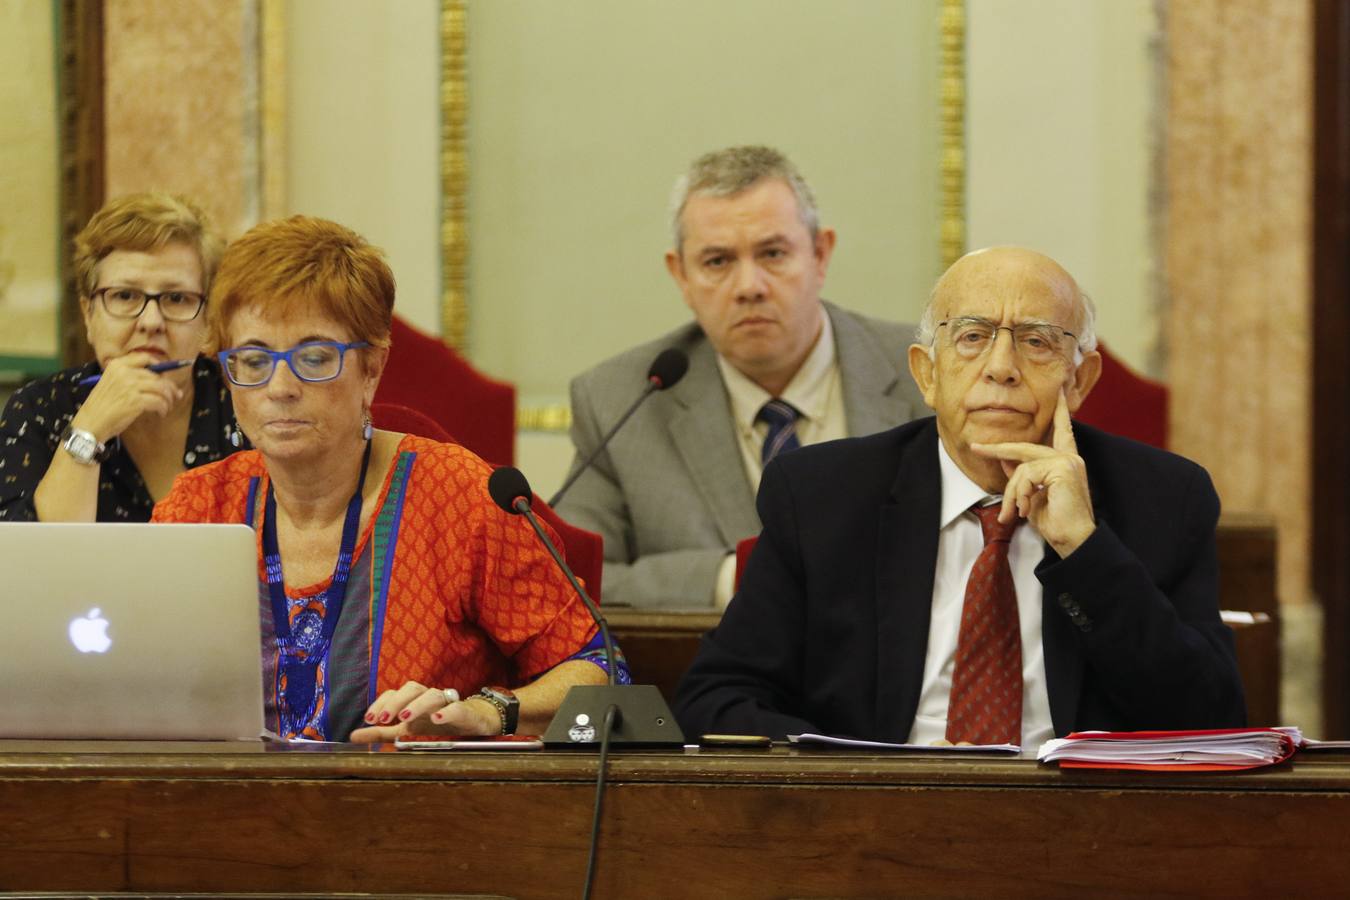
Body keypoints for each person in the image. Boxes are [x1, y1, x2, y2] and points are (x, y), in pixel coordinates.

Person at [674, 246, 1246, 743]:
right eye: (972, 338)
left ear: (1079, 379)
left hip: (1079, 819)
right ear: (927, 374)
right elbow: (716, 699)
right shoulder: (823, 496)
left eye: (1037, 342)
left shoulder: (1166, 499)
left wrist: (1085, 550)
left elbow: (1209, 718)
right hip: (875, 815)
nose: (1001, 368)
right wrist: (854, 778)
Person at [152, 216, 619, 743]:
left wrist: (488, 711)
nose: (279, 387)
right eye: (254, 360)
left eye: (314, 357)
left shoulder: (456, 497)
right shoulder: (196, 508)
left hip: (412, 792)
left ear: (371, 370)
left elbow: (600, 670)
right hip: (227, 792)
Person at [558, 146, 924, 609]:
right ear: (681, 275)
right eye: (718, 262)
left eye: (772, 253)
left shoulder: (928, 375)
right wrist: (734, 577)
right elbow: (569, 577)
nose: (749, 286)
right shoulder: (620, 400)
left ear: (820, 254)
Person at [0, 193, 243, 522]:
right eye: (125, 295)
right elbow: (39, 551)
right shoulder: (39, 410)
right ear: (88, 315)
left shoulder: (240, 400)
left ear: (206, 317)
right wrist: (89, 431)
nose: (151, 322)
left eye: (176, 298)